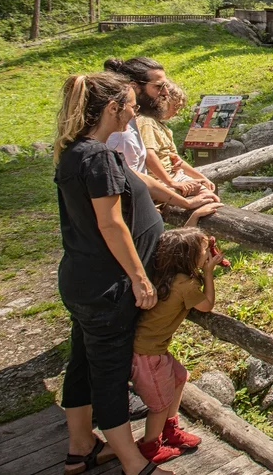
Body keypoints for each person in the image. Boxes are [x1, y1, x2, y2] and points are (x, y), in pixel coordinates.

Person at [53, 73, 216, 475]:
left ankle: (81, 446)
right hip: (109, 285)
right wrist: (140, 279)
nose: (134, 111)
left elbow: (136, 180)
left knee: (83, 361)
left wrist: (184, 205)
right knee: (109, 372)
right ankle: (133, 463)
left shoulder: (76, 151)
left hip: (81, 278)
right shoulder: (99, 158)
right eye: (129, 104)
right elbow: (111, 224)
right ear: (112, 108)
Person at [131, 220, 224, 464]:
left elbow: (181, 239)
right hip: (148, 353)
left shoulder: (168, 272)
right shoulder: (185, 284)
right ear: (189, 257)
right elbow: (206, 305)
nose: (206, 255)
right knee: (159, 405)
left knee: (179, 377)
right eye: (203, 252)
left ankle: (169, 429)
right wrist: (208, 273)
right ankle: (150, 447)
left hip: (150, 348)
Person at [137, 82, 215, 198]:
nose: (176, 112)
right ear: (165, 101)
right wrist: (171, 182)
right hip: (160, 179)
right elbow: (149, 155)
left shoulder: (161, 126)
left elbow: (175, 159)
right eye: (176, 106)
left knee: (208, 193)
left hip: (172, 175)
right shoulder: (147, 122)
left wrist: (201, 177)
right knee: (207, 197)